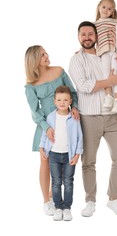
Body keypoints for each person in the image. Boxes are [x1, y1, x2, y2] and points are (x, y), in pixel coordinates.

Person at [68, 21, 117, 217]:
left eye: (90, 34)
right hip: (89, 117)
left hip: (112, 116)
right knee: (89, 161)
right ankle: (90, 200)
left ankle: (114, 199)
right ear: (78, 37)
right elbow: (83, 86)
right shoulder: (76, 59)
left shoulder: (108, 54)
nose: (87, 37)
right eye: (83, 34)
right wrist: (108, 82)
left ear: (96, 36)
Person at [24, 46, 79, 216]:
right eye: (42, 55)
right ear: (34, 60)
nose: (47, 56)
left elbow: (73, 93)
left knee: (65, 159)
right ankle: (46, 201)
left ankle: (55, 197)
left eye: (46, 52)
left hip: (66, 120)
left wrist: (75, 107)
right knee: (45, 162)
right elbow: (35, 112)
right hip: (46, 125)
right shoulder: (30, 84)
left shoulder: (59, 71)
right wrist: (46, 128)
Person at [39, 85, 83, 221]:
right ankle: (58, 207)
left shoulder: (74, 118)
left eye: (65, 100)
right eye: (59, 100)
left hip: (69, 155)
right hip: (54, 155)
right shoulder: (51, 117)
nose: (62, 103)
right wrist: (41, 147)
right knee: (56, 182)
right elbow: (45, 134)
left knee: (68, 182)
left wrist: (77, 154)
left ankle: (67, 208)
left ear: (70, 101)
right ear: (54, 101)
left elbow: (79, 137)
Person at [95, 0, 117, 112]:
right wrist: (81, 50)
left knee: (114, 74)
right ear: (99, 7)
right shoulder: (94, 25)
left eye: (109, 9)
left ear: (113, 11)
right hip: (103, 53)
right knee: (105, 74)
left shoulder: (115, 23)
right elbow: (91, 40)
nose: (106, 10)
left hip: (114, 52)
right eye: (104, 7)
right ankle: (109, 96)